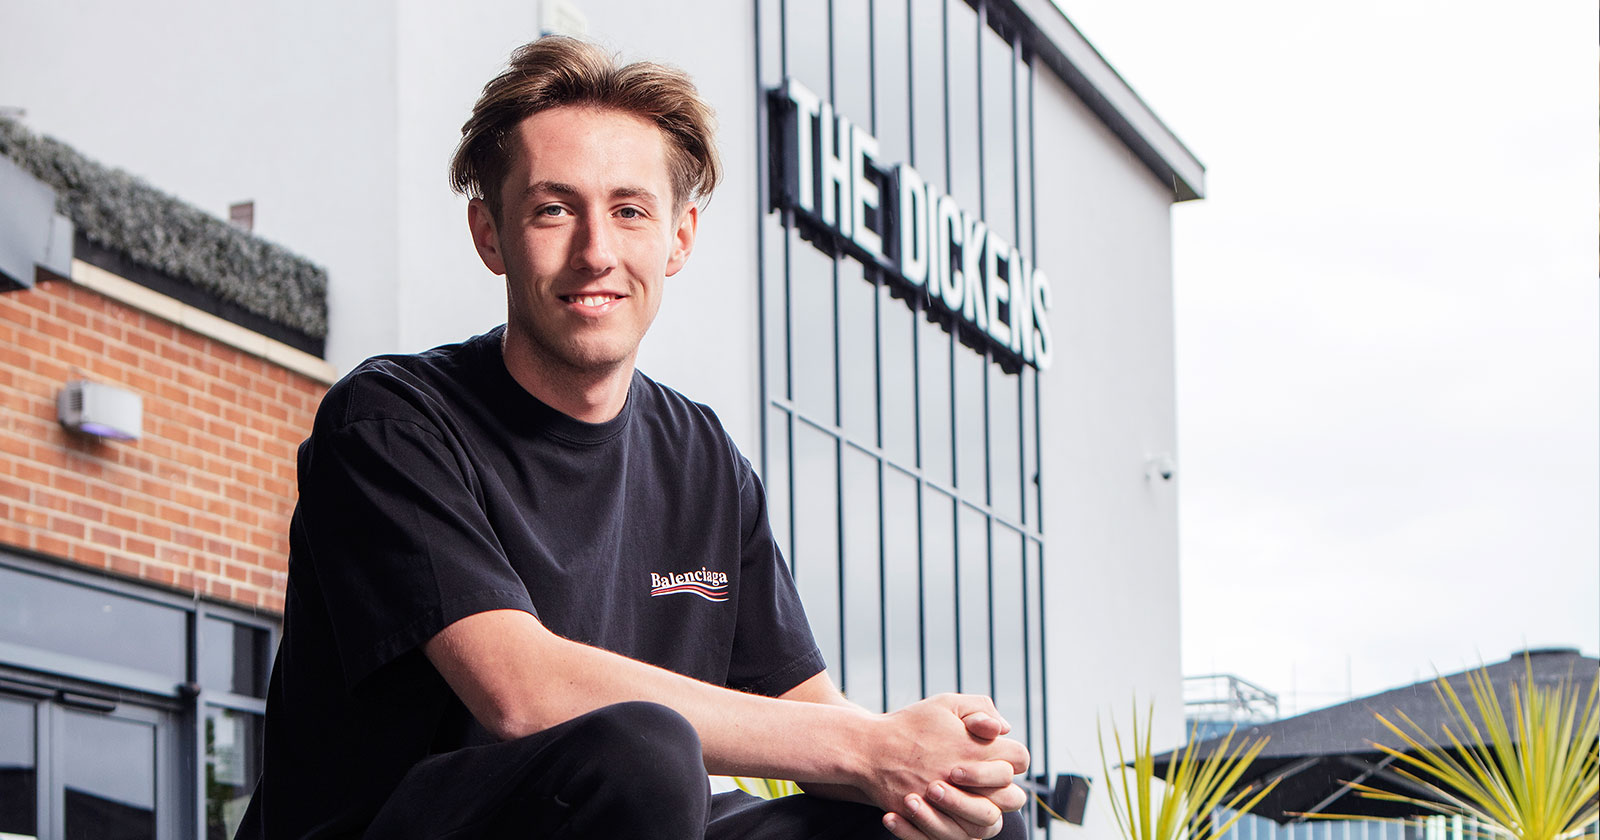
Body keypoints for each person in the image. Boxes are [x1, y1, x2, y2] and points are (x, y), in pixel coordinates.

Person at [237, 35, 1029, 840]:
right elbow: (522, 693)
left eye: (629, 210)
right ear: (490, 235)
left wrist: (939, 763)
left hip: (640, 812)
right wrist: (869, 745)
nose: (596, 252)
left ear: (678, 237)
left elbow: (808, 718)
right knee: (644, 753)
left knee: (966, 821)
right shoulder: (390, 422)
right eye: (553, 209)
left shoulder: (703, 461)